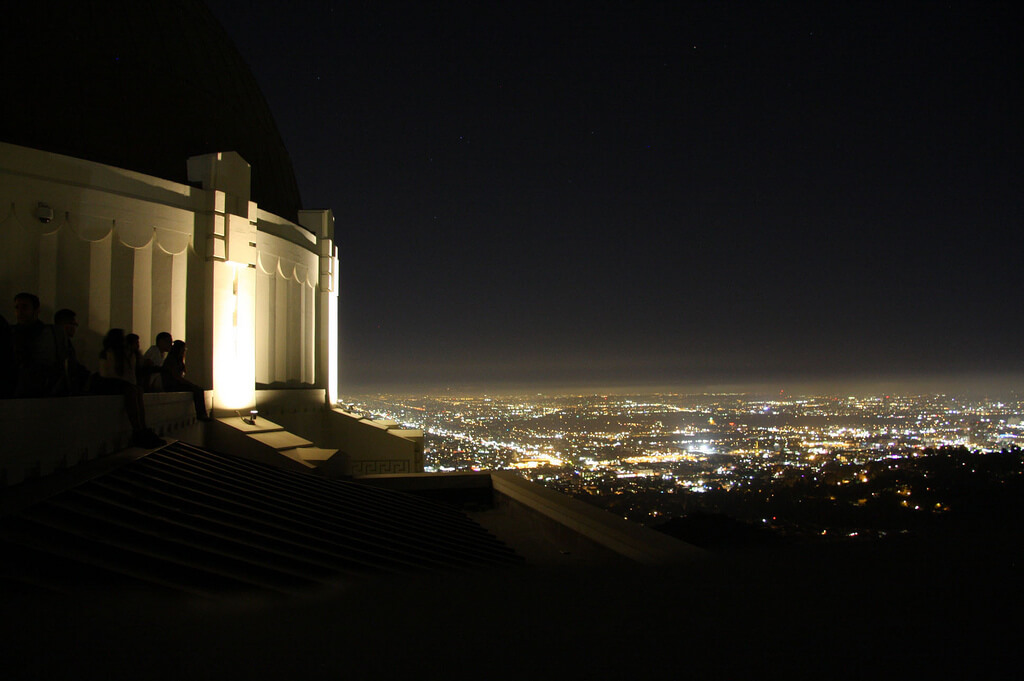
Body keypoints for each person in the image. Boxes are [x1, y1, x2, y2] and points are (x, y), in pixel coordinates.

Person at [94, 328, 164, 448]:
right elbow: (107, 373)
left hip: (122, 383)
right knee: (133, 391)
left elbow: (129, 374)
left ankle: (142, 428)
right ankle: (138, 429)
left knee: (136, 390)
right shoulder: (109, 353)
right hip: (109, 383)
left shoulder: (127, 354)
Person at [12, 292, 58, 397]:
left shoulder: (48, 334)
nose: (20, 311)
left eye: (24, 307)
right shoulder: (11, 333)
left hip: (43, 390)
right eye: (17, 307)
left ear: (36, 310)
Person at [161, 340, 210, 421]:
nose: (184, 351)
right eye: (183, 349)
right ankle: (201, 414)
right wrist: (190, 384)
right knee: (197, 390)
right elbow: (176, 377)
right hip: (172, 385)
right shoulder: (172, 361)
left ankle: (202, 414)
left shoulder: (174, 360)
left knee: (197, 389)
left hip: (174, 384)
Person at [53, 308, 91, 395]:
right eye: (74, 324)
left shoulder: (64, 343)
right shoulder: (62, 345)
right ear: (65, 325)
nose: (75, 328)